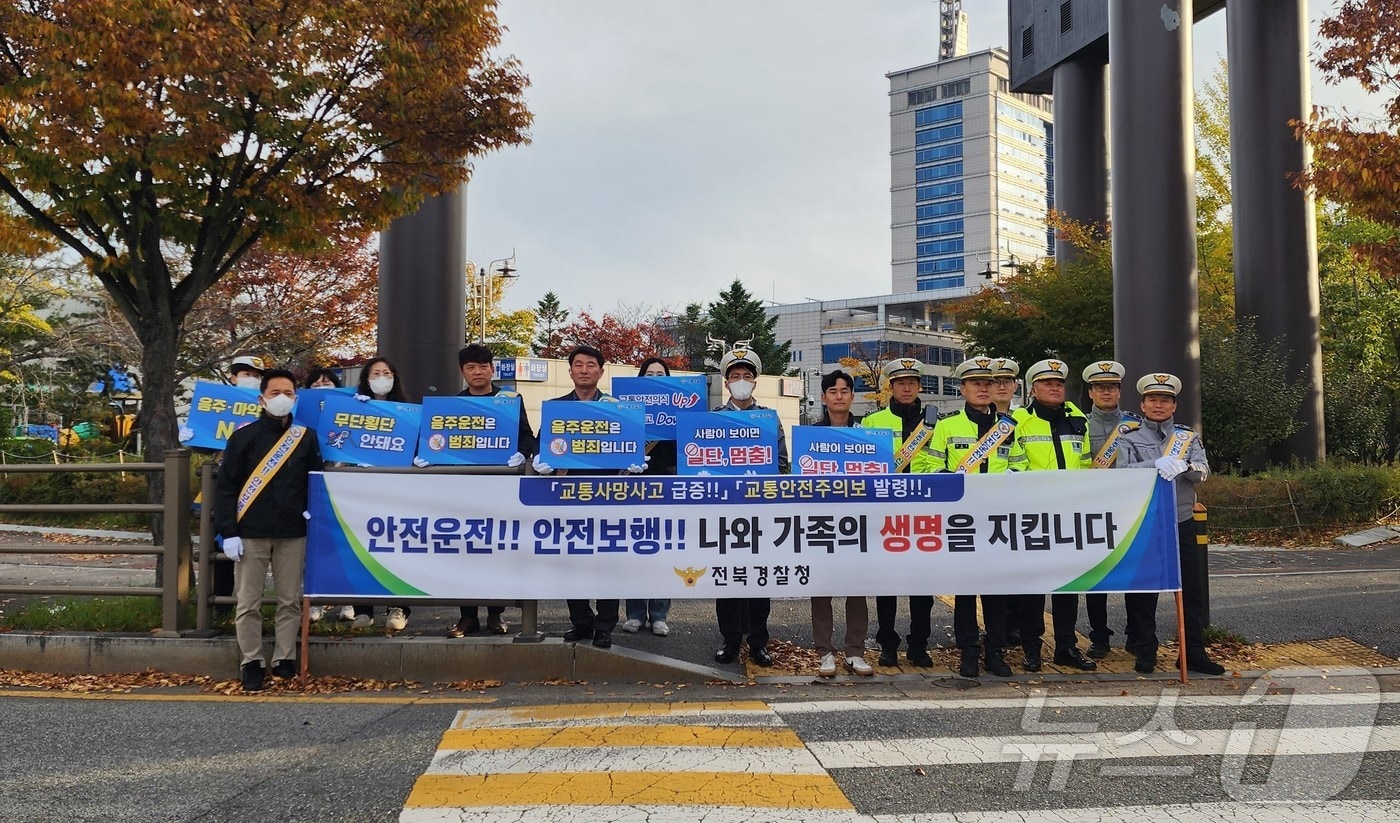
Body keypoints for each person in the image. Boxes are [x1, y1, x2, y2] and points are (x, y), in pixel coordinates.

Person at [212, 368, 323, 692]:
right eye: (275, 393)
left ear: (296, 398)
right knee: (248, 601)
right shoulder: (243, 437)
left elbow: (315, 483)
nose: (281, 399)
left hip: (293, 531)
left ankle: (284, 657)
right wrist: (228, 531)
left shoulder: (306, 437)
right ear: (261, 399)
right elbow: (226, 487)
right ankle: (252, 661)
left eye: (288, 393)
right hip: (250, 532)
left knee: (290, 599)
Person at [1116, 372, 1226, 676]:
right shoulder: (1129, 437)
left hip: (1182, 520)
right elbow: (1122, 472)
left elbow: (1203, 471)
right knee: (1143, 590)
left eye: (1165, 400)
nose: (1159, 405)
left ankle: (1192, 653)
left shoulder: (1186, 437)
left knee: (1192, 591)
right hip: (1145, 522)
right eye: (1153, 399)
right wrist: (1154, 464)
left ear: (1174, 405)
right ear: (1143, 404)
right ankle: (1145, 650)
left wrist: (1185, 465)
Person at [929, 357, 1027, 678]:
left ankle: (995, 651)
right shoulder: (946, 426)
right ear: (963, 389)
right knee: (966, 590)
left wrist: (1009, 481)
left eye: (988, 383)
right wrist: (951, 480)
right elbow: (927, 467)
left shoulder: (1008, 426)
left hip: (996, 517)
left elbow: (1020, 463)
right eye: (976, 383)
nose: (984, 388)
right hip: (961, 519)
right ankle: (968, 652)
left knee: (996, 590)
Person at [533, 345, 624, 649]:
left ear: (601, 370)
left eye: (591, 365)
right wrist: (539, 462)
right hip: (568, 496)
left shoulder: (616, 409)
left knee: (606, 562)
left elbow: (628, 447)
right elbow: (540, 447)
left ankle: (605, 625)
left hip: (608, 495)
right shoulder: (556, 409)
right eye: (578, 365)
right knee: (572, 560)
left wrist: (633, 464)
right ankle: (581, 622)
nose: (584, 370)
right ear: (570, 371)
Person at [1010, 359, 1097, 673]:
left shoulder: (1077, 418)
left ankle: (1065, 648)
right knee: (1033, 588)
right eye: (1047, 383)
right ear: (1033, 388)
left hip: (1069, 513)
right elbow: (1013, 466)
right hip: (1033, 514)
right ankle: (1031, 648)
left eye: (1059, 383)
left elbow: (1087, 464)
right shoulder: (1019, 420)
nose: (1055, 387)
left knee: (1067, 587)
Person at [446, 344, 537, 638]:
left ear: (492, 369)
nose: (477, 372)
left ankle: (496, 614)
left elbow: (527, 435)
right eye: (470, 367)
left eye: (483, 366)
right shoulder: (454, 403)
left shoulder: (509, 399)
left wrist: (522, 454)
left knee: (498, 550)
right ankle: (467, 616)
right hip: (466, 487)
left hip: (501, 485)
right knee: (466, 550)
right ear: (462, 372)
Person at [712, 346, 787, 667]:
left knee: (759, 580)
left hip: (760, 513)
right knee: (726, 579)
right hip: (723, 515)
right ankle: (730, 641)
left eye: (747, 376)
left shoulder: (769, 420)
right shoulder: (711, 420)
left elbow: (783, 465)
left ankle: (758, 642)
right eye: (735, 376)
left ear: (755, 382)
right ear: (726, 383)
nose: (741, 381)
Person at [862, 357, 938, 669]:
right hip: (886, 510)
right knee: (887, 582)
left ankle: (919, 645)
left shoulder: (936, 421)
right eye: (900, 382)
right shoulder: (872, 422)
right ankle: (888, 645)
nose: (906, 387)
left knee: (923, 584)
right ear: (890, 387)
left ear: (919, 386)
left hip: (924, 511)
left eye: (912, 382)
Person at [809, 369, 873, 677]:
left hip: (857, 520)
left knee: (856, 585)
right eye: (832, 391)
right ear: (823, 397)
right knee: (821, 587)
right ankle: (825, 652)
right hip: (821, 519)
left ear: (852, 396)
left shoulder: (866, 434)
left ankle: (855, 651)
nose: (838, 395)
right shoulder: (811, 435)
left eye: (844, 390)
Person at [349, 356, 411, 631]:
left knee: (397, 549)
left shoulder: (408, 411)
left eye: (387, 372)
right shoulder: (353, 409)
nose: (382, 377)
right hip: (361, 493)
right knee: (363, 550)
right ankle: (363, 609)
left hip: (397, 491)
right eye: (375, 373)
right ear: (365, 379)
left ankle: (397, 607)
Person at [1081, 360, 1132, 659]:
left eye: (1112, 387)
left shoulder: (1135, 424)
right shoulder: (1080, 424)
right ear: (1090, 392)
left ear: (1119, 391)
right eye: (1100, 387)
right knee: (1096, 578)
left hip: (1128, 509)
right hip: (1093, 509)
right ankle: (1099, 636)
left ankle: (1134, 635)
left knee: (1132, 576)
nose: (1107, 392)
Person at [622, 356, 677, 638]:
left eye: (661, 373)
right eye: (650, 373)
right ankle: (633, 613)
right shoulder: (626, 409)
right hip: (633, 485)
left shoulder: (679, 411)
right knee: (633, 550)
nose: (655, 377)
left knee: (662, 552)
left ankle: (659, 614)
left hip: (665, 485)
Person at [300, 368, 354, 625]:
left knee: (344, 546)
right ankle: (315, 603)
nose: (323, 386)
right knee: (314, 549)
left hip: (344, 486)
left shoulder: (349, 412)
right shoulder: (299, 415)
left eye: (329, 382)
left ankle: (348, 602)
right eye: (317, 383)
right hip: (310, 487)